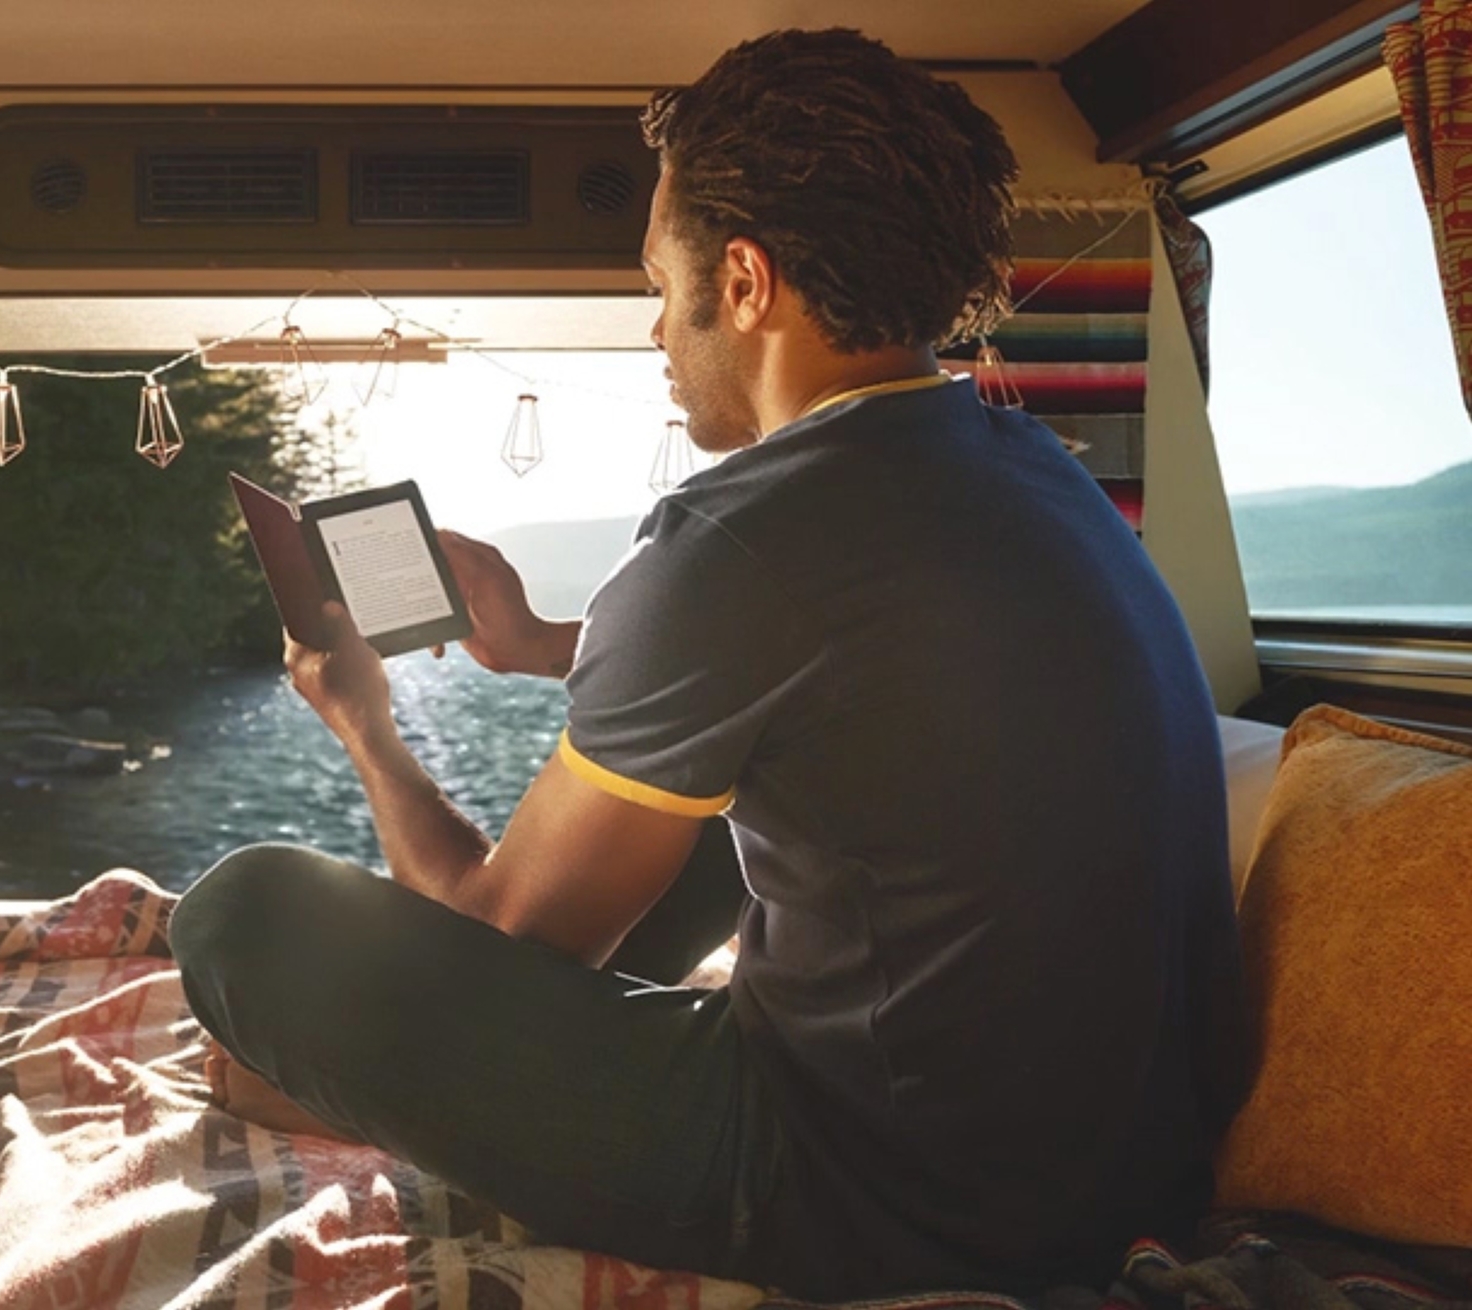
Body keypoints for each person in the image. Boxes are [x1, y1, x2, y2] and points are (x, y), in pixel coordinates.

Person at [169, 27, 1248, 1301]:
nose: (652, 326)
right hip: (1125, 1168)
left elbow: (496, 943)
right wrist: (546, 650)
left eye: (657, 281)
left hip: (886, 1196)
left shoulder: (732, 531)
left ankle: (349, 1083)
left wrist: (363, 721)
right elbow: (854, 668)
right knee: (684, 807)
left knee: (243, 912)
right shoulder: (1029, 473)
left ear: (740, 280)